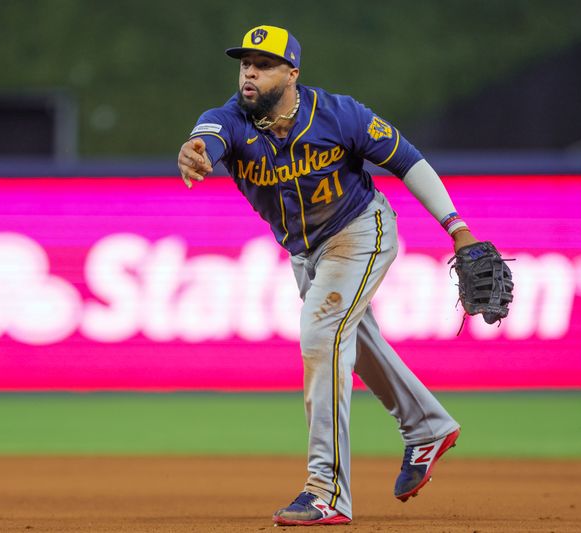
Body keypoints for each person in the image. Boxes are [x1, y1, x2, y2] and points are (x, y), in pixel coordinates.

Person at [177, 25, 476, 526]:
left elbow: (408, 161)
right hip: (305, 253)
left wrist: (457, 227)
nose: (250, 71)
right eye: (245, 62)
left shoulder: (339, 114)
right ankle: (427, 427)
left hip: (360, 231)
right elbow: (207, 138)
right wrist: (194, 151)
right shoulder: (227, 119)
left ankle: (326, 491)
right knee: (353, 341)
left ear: (292, 73)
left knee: (320, 333)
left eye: (265, 63)